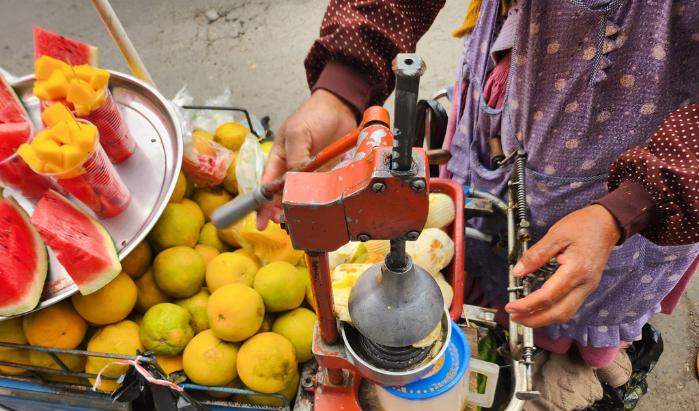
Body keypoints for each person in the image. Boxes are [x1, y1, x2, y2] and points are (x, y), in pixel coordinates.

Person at [258, 0, 699, 370]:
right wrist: (343, 84)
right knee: (487, 241)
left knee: (578, 293)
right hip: (522, 71)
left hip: (654, 142)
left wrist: (627, 208)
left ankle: (573, 351)